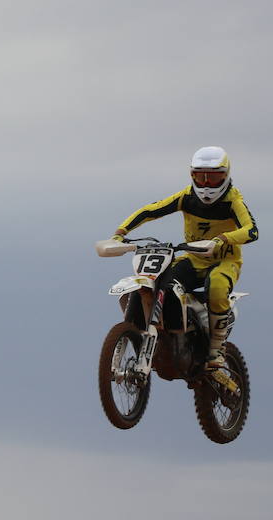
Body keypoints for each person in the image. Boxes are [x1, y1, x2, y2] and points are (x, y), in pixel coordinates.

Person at [111, 146, 259, 373]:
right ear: (193, 176)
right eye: (201, 177)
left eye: (214, 178)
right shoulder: (186, 197)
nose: (207, 184)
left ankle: (217, 348)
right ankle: (165, 335)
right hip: (193, 258)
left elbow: (251, 231)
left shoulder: (233, 201)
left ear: (226, 175)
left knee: (218, 285)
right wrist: (121, 232)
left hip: (224, 261)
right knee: (161, 281)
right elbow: (151, 210)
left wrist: (223, 239)